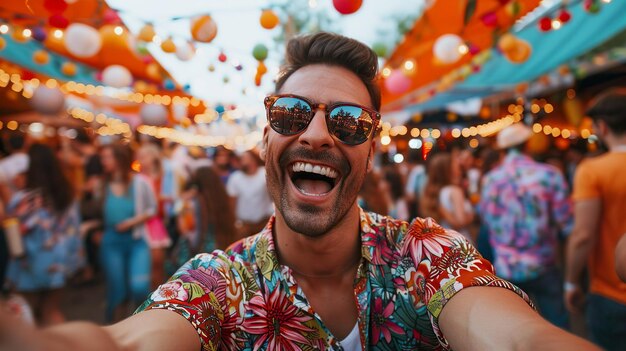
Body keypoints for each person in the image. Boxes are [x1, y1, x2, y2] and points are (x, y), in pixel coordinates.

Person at [0, 32, 597, 351]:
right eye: (291, 114)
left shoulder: (426, 256)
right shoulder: (219, 282)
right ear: (266, 138)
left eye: (346, 123)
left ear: (370, 147)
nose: (315, 135)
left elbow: (518, 338)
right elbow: (137, 341)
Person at [479, 123, 572, 329]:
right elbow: (566, 221)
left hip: (506, 265)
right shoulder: (549, 175)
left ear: (502, 150)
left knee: (516, 329)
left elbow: (486, 219)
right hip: (543, 263)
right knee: (557, 327)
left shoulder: (490, 180)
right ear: (528, 145)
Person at [565, 89, 626, 351]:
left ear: (602, 126)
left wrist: (571, 280)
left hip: (611, 290)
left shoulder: (592, 170)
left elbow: (583, 235)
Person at [4, 143, 82, 326]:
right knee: (51, 312)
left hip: (30, 261)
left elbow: (14, 228)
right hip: (59, 261)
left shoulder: (24, 200)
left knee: (25, 314)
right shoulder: (67, 196)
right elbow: (74, 231)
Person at [99, 143, 156, 322]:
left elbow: (152, 208)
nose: (103, 161)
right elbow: (94, 212)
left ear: (119, 159)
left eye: (107, 157)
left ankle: (141, 324)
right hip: (111, 241)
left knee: (140, 287)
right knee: (118, 291)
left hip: (136, 240)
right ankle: (115, 331)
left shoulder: (139, 183)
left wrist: (132, 222)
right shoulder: (101, 185)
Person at [136, 143, 172, 290]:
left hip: (156, 223)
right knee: (149, 265)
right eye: (139, 157)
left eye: (144, 157)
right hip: (145, 222)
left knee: (158, 264)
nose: (140, 160)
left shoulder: (164, 176)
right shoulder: (138, 179)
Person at [421, 152, 474, 242]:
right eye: (455, 164)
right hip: (460, 241)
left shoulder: (437, 192)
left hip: (445, 242)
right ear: (449, 169)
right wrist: (472, 216)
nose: (459, 166)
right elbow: (460, 222)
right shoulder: (455, 191)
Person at [226, 149, 274, 239]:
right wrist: (236, 223)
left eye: (247, 159)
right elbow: (231, 202)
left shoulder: (264, 173)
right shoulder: (235, 178)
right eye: (242, 159)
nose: (245, 161)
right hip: (244, 224)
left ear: (254, 160)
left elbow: (273, 194)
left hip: (264, 222)